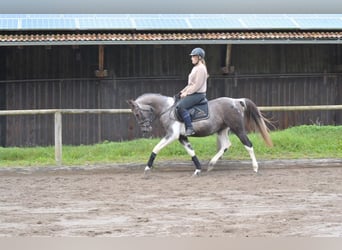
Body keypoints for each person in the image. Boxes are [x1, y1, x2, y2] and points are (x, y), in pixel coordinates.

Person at [176, 47, 209, 136]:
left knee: (181, 106)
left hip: (198, 94)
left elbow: (197, 85)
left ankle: (190, 128)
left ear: (200, 57)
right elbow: (191, 84)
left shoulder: (201, 68)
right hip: (194, 92)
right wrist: (182, 91)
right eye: (192, 56)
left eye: (194, 56)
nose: (191, 58)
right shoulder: (196, 68)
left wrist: (187, 93)